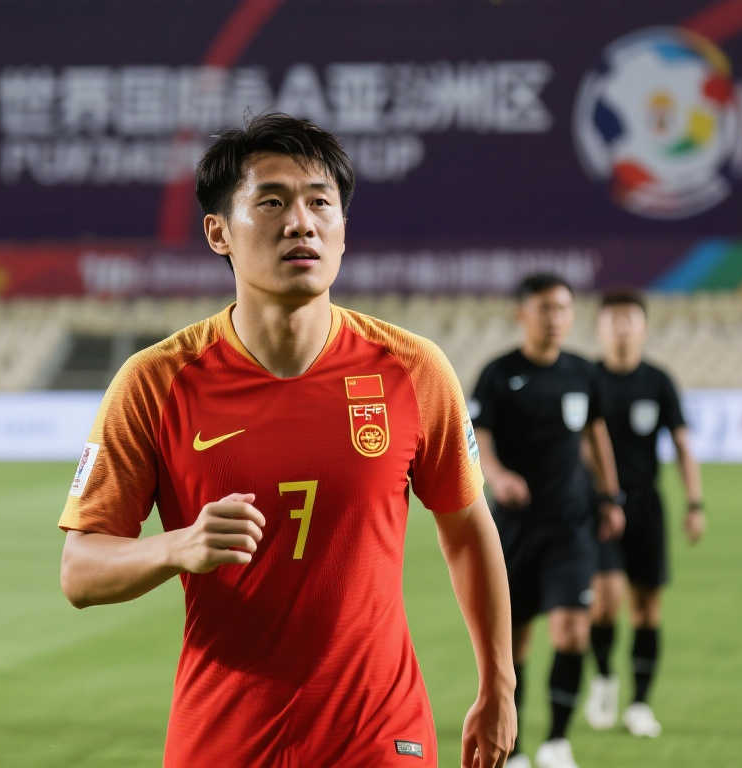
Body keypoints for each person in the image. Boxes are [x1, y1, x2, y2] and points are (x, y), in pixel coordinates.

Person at [58, 113, 516, 768]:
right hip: (224, 739)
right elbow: (79, 571)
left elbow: (468, 529)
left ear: (343, 230)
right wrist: (177, 546)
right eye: (271, 202)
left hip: (380, 738)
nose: (301, 223)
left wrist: (499, 683)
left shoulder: (413, 370)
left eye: (319, 203)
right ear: (218, 232)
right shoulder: (155, 382)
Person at [471, 273, 625, 768]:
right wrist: (498, 477)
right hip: (514, 529)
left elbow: (596, 436)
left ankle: (558, 740)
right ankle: (515, 750)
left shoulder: (582, 373)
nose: (555, 318)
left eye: (563, 309)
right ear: (522, 314)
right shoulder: (498, 374)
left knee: (573, 632)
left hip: (571, 526)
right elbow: (479, 437)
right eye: (545, 309)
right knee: (513, 645)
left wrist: (610, 496)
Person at [582, 290, 704, 738]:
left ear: (644, 327)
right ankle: (603, 678)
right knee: (604, 601)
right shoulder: (587, 379)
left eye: (630, 319)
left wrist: (695, 503)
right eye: (613, 320)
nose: (622, 328)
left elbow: (683, 445)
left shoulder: (658, 381)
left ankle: (639, 704)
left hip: (647, 506)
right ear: (599, 328)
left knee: (647, 608)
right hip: (599, 507)